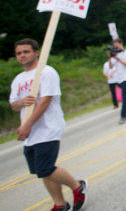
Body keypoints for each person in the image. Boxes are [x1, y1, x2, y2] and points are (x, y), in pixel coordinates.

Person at [9, 39, 87, 211]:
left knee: (45, 168)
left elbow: (45, 101)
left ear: (36, 52)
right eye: (19, 53)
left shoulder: (46, 72)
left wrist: (27, 125)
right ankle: (59, 204)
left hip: (48, 128)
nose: (22, 55)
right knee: (41, 170)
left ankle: (78, 188)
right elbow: (13, 105)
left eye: (26, 52)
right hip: (31, 133)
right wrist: (22, 102)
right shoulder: (18, 79)